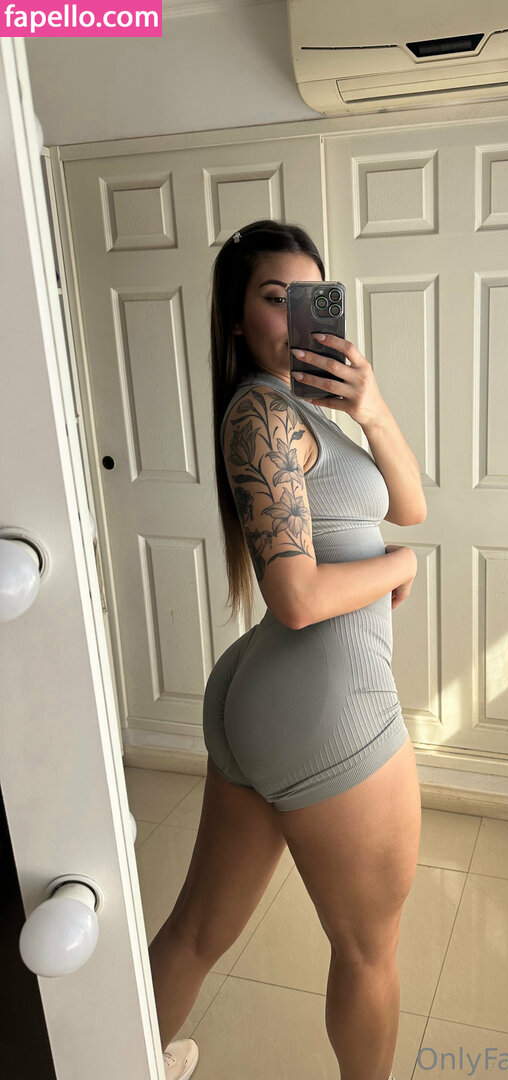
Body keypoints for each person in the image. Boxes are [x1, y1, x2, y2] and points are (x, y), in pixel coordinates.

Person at [147, 220, 425, 1080]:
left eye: (312, 298)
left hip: (273, 696)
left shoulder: (310, 410)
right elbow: (298, 597)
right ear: (237, 318)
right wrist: (399, 567)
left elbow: (410, 505)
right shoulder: (261, 412)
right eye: (276, 298)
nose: (296, 315)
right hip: (328, 702)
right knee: (369, 949)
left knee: (198, 929)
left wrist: (371, 406)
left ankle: (116, 1058)